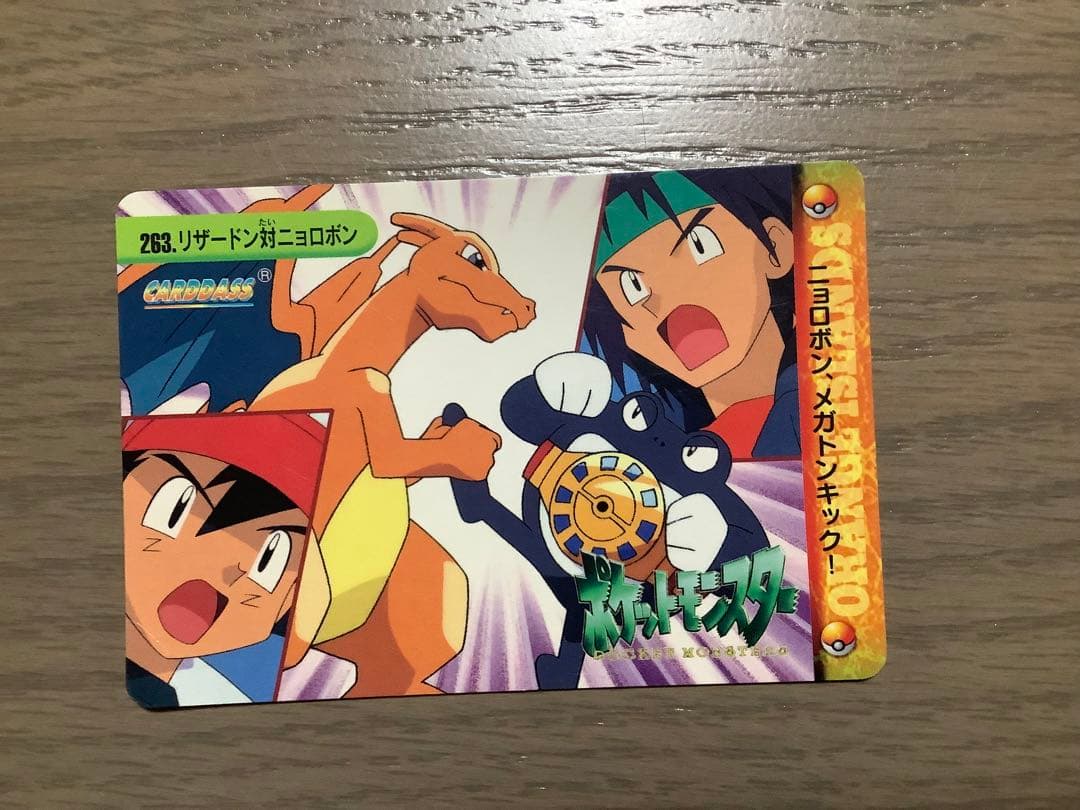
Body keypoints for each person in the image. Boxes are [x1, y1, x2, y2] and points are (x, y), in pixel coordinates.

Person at [580, 167, 799, 459]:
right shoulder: (676, 459)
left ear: (774, 248)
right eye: (632, 286)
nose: (665, 303)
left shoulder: (827, 385)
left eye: (700, 246)